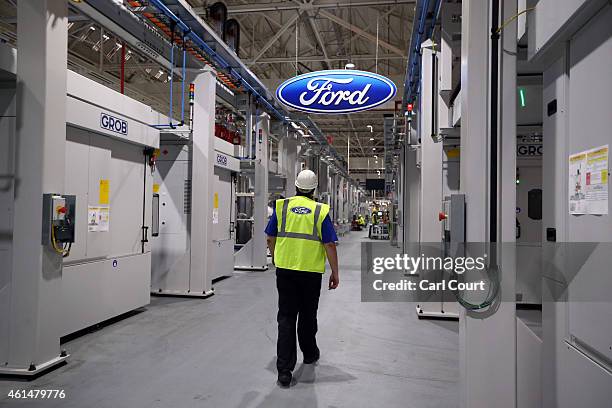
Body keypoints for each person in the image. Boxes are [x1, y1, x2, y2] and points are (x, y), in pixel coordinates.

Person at [265, 169, 340, 387]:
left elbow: (270, 237)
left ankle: (284, 371)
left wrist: (276, 257)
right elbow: (329, 244)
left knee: (286, 317)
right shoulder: (320, 210)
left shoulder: (282, 207)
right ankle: (309, 353)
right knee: (308, 316)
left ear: (296, 187)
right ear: (314, 189)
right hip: (310, 273)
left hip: (286, 271)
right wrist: (335, 272)